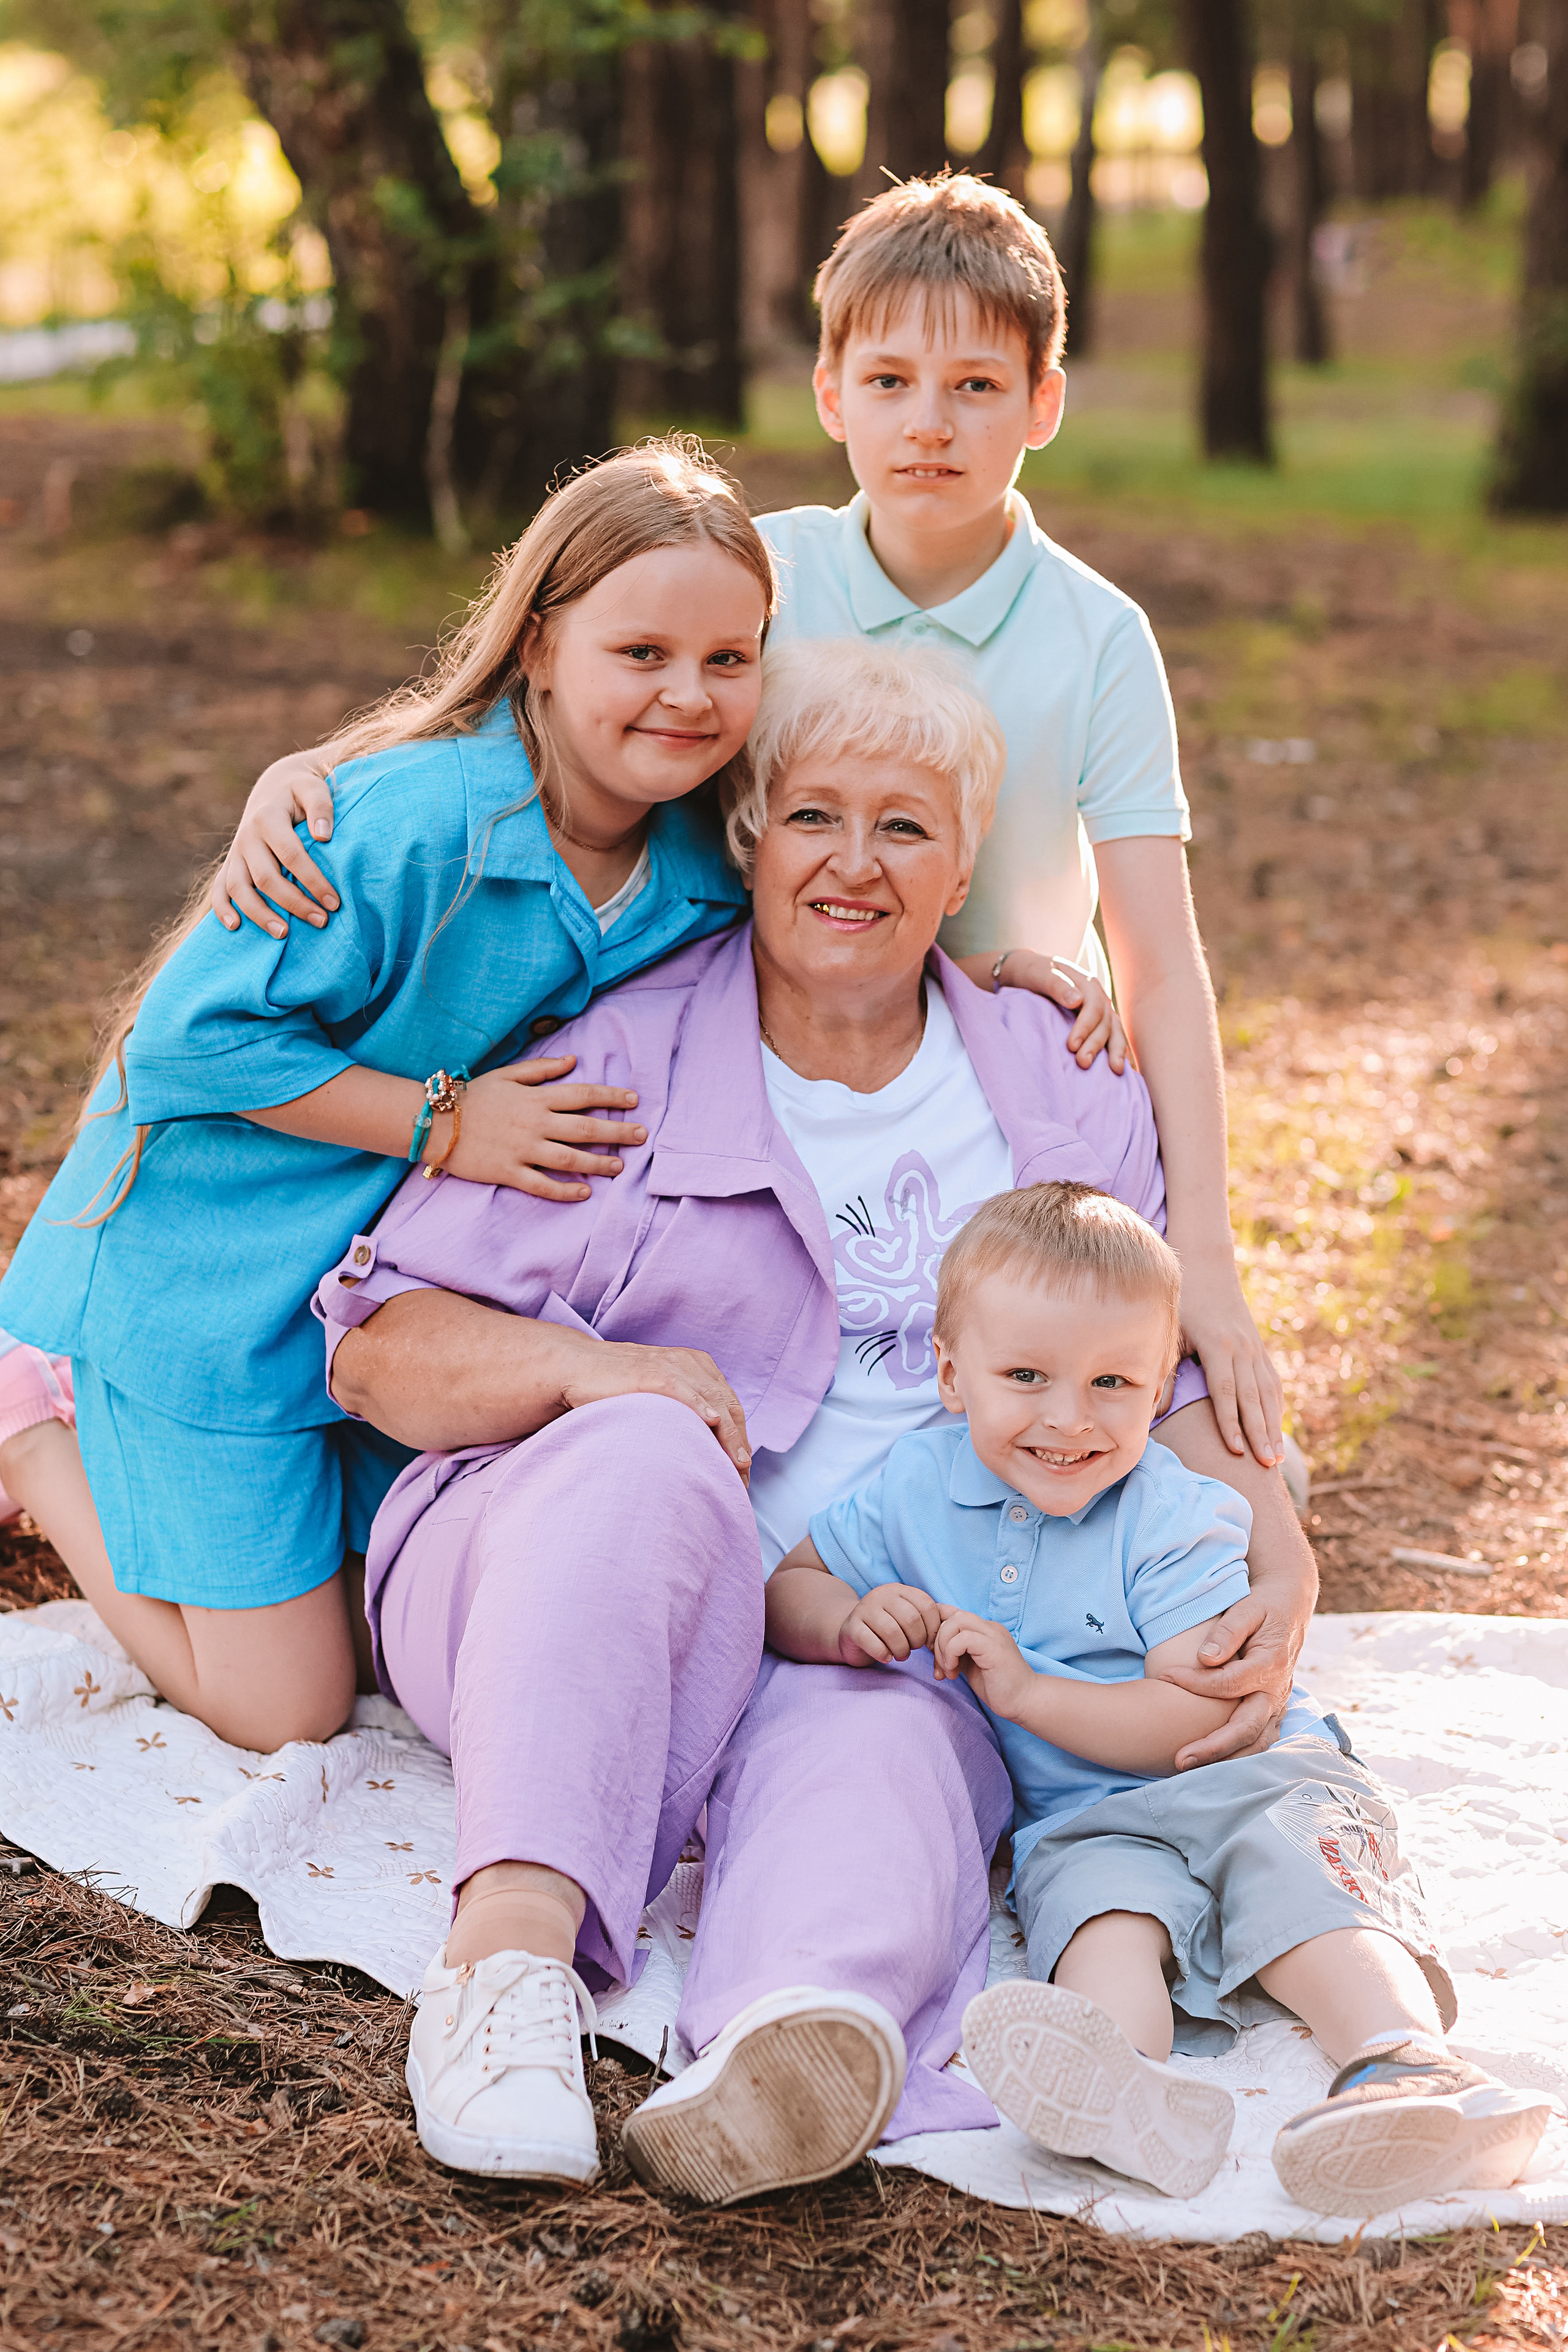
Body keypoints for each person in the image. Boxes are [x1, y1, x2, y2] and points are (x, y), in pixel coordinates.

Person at [311, 638, 1318, 2195]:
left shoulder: (1057, 1088)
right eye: (814, 819)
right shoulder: (624, 1063)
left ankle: (796, 2041)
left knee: (906, 1709)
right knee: (650, 1455)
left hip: (879, 1614)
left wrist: (1278, 1580)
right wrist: (597, 1373)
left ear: (963, 861)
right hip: (578, 1574)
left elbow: (1167, 1383)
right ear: (750, 836)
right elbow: (379, 1350)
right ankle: (500, 1977)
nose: (854, 864)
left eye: (905, 827)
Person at [216, 173, 1284, 1480]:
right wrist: (313, 767)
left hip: (969, 1070)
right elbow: (552, 680)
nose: (927, 425)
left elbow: (1162, 964)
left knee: (1130, 1456)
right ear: (829, 394)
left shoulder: (1097, 637)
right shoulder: (767, 575)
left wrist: (1211, 1271)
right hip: (730, 1027)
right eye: (887, 382)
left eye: (976, 388)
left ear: (1043, 403)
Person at [0, 441, 779, 1748]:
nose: (687, 696)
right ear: (538, 647)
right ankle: (33, 1427)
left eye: (727, 660)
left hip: (380, 1306)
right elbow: (187, 1047)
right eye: (639, 654)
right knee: (290, 1709)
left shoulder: (702, 860)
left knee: (401, 1632)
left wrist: (1014, 968)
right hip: (201, 1288)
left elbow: (842, 916)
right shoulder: (414, 826)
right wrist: (448, 1122)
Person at [766, 1182, 1552, 2217]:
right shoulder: (914, 1484)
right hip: (1083, 1819)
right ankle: (1125, 2089)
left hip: (1238, 1775)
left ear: (1156, 1389)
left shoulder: (1172, 1515)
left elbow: (1195, 1721)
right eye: (1027, 1376)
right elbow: (791, 1585)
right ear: (954, 1377)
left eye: (1111, 1384)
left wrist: (1031, 1695)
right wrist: (847, 1622)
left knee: (1296, 1883)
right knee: (1098, 1917)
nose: (1068, 1418)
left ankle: (1409, 2063)